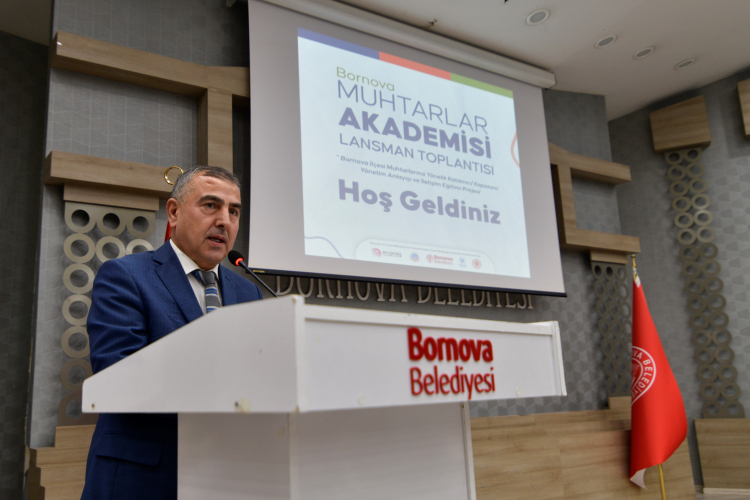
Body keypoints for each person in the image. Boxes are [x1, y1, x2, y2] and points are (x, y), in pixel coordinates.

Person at [80, 166, 263, 500]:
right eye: (211, 205)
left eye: (234, 211)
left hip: (225, 474)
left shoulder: (247, 291)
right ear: (174, 212)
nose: (224, 221)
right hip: (143, 476)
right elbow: (118, 374)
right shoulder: (127, 276)